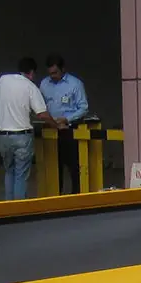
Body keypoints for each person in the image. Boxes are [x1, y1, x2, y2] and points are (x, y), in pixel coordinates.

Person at [0, 56, 60, 201]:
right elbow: (42, 114)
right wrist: (55, 125)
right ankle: (19, 208)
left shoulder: (3, 80)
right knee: (21, 174)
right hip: (21, 136)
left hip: (3, 136)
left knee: (9, 171)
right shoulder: (30, 87)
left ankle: (8, 206)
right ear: (31, 72)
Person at [39, 54, 90, 195]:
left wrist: (67, 119)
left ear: (63, 69)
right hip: (51, 130)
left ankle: (76, 196)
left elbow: (83, 108)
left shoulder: (75, 84)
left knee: (74, 167)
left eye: (55, 73)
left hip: (69, 129)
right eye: (50, 73)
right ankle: (57, 196)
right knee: (54, 166)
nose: (53, 76)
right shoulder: (44, 84)